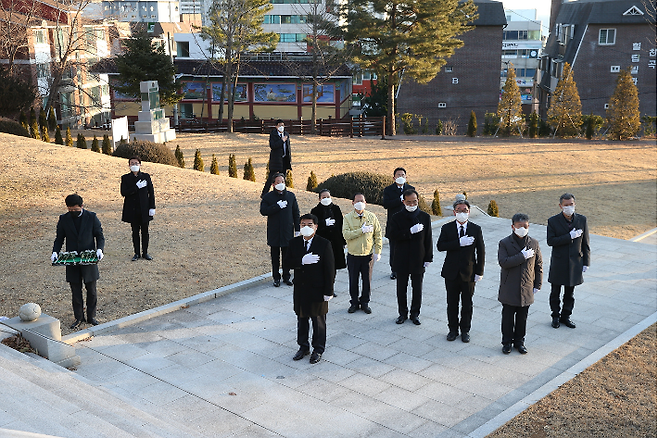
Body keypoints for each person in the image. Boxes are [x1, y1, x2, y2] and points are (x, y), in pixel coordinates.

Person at [284, 214, 336, 364]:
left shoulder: (324, 244)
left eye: (309, 224)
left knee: (318, 321)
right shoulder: (294, 243)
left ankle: (318, 349)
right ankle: (303, 346)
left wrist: (328, 291)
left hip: (318, 289)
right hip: (301, 289)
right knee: (301, 318)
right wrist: (301, 261)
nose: (306, 227)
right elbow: (287, 263)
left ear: (316, 226)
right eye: (303, 225)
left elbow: (330, 269)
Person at [51, 194, 105, 329]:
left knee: (91, 290)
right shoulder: (64, 219)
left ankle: (91, 316)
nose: (73, 213)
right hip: (72, 260)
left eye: (75, 210)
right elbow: (59, 238)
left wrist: (99, 249)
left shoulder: (91, 217)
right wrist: (55, 252)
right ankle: (78, 317)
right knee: (75, 291)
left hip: (89, 259)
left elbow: (99, 235)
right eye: (70, 210)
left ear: (82, 206)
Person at [437, 199, 485, 343]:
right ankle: (452, 330)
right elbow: (440, 246)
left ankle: (465, 330)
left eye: (465, 210)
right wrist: (458, 243)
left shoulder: (476, 229)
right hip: (451, 273)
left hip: (468, 273)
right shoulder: (447, 228)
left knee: (467, 303)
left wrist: (479, 272)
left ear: (469, 212)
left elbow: (481, 252)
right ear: (454, 212)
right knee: (452, 303)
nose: (462, 213)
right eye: (459, 210)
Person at [497, 213, 542, 354]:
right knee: (508, 318)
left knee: (522, 318)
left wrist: (538, 284)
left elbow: (538, 265)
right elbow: (503, 262)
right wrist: (522, 256)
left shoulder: (533, 243)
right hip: (509, 287)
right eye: (519, 226)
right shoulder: (504, 243)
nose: (522, 228)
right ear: (513, 226)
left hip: (526, 287)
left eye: (525, 226)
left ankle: (520, 342)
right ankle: (506, 342)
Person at [387, 189, 433, 325]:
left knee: (417, 288)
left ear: (417, 201)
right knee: (401, 288)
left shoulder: (425, 217)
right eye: (409, 202)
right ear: (403, 202)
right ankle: (402, 313)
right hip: (402, 257)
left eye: (414, 201)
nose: (412, 204)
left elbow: (428, 239)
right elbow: (392, 235)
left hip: (418, 258)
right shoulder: (396, 217)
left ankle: (415, 314)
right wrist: (409, 232)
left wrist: (428, 258)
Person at [547, 193, 590, 329]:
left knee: (569, 293)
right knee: (555, 292)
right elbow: (551, 241)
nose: (569, 207)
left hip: (574, 263)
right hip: (559, 262)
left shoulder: (582, 220)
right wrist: (568, 236)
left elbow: (585, 242)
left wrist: (586, 261)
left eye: (571, 204)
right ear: (560, 206)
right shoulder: (553, 221)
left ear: (575, 204)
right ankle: (555, 316)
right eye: (566, 205)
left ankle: (566, 316)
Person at [342, 193, 383, 314]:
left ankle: (365, 302)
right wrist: (361, 231)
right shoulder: (348, 218)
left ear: (365, 203)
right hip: (353, 255)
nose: (360, 203)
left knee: (367, 281)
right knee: (353, 281)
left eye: (362, 201)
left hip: (367, 255)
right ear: (353, 203)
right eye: (357, 201)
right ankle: (354, 302)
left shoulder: (371, 217)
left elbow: (378, 235)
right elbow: (346, 235)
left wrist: (378, 251)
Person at [260, 173, 300, 287]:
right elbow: (263, 211)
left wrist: (297, 229)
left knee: (287, 256)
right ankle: (276, 278)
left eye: (282, 181)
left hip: (287, 231)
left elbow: (296, 213)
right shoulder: (268, 197)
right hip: (274, 232)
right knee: (275, 257)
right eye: (278, 182)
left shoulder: (291, 196)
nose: (280, 184)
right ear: (273, 184)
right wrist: (276, 206)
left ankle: (286, 277)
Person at [121, 156, 155, 261]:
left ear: (140, 164)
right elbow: (124, 193)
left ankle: (145, 252)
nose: (134, 165)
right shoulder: (125, 178)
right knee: (135, 231)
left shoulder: (146, 176)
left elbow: (151, 192)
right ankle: (136, 253)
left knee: (145, 231)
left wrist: (152, 207)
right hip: (132, 210)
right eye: (132, 163)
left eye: (136, 163)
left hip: (144, 209)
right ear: (129, 165)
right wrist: (136, 187)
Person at [382, 167, 415, 280]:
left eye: (403, 175)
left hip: (408, 223)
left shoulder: (411, 189)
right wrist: (399, 199)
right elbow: (386, 204)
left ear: (406, 177)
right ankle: (394, 270)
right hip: (394, 224)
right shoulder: (388, 190)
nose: (400, 177)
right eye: (398, 175)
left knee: (408, 247)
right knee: (394, 249)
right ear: (394, 177)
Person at [310, 189, 346, 272]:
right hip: (322, 241)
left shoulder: (336, 209)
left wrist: (343, 241)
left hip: (335, 241)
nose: (326, 199)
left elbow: (341, 224)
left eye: (328, 197)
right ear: (320, 199)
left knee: (334, 266)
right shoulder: (315, 211)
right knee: (323, 265)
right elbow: (313, 226)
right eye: (324, 197)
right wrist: (323, 223)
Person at [261, 119, 292, 198]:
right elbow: (273, 146)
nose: (281, 127)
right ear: (276, 126)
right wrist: (281, 141)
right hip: (276, 160)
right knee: (271, 177)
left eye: (283, 125)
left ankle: (282, 194)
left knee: (282, 178)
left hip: (284, 159)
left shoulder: (286, 134)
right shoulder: (273, 134)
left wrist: (289, 159)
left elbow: (288, 148)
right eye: (279, 125)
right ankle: (264, 194)